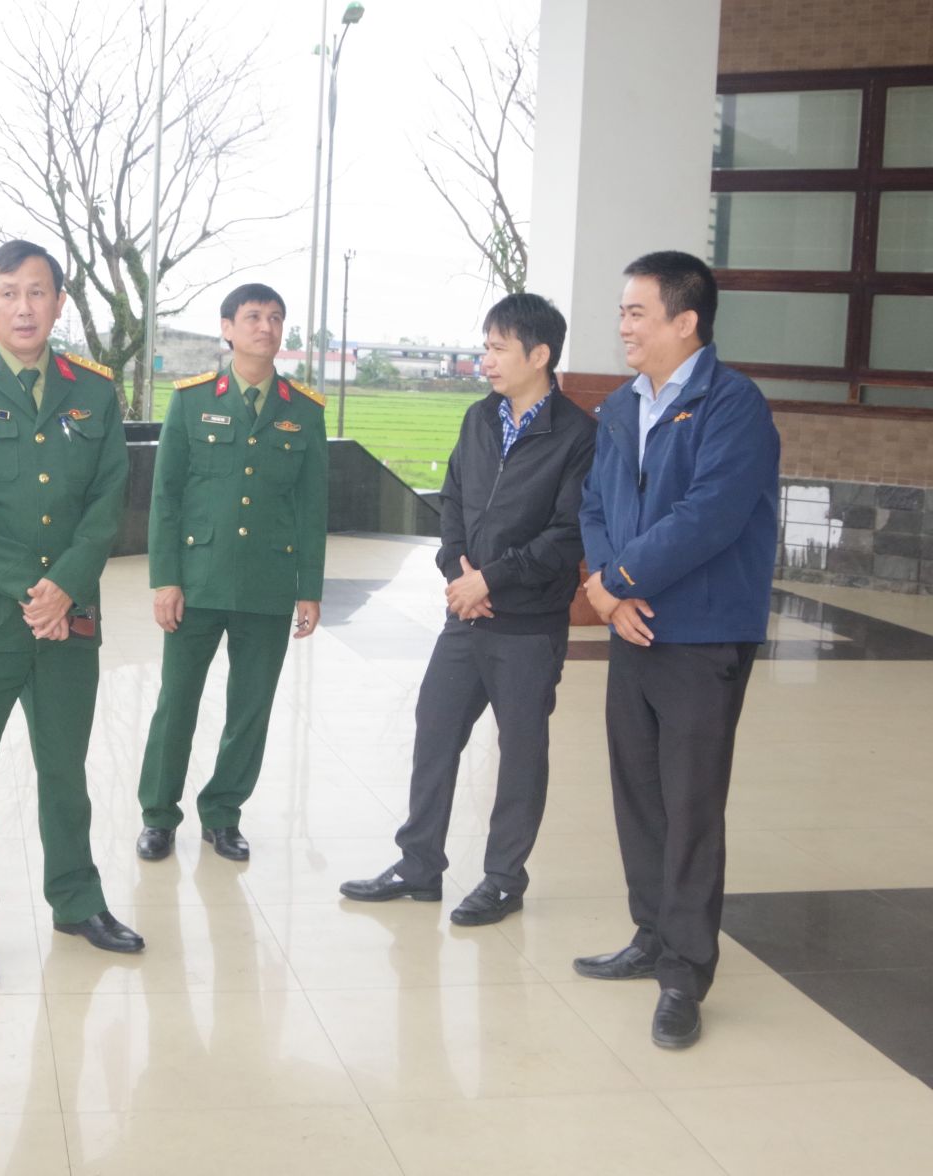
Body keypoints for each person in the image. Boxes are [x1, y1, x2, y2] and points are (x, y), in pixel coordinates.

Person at [0, 239, 142, 988]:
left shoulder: (94, 391)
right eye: (9, 292)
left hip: (68, 619)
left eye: (38, 291)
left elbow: (106, 500)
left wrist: (65, 586)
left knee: (65, 769)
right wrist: (33, 591)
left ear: (59, 302)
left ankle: (77, 901)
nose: (24, 307)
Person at [573, 250, 779, 1049]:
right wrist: (605, 588)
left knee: (691, 805)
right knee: (638, 794)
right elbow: (595, 503)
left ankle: (686, 974)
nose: (623, 325)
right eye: (623, 312)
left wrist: (618, 580)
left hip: (700, 633)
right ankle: (652, 934)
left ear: (685, 321)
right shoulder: (622, 407)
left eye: (637, 311)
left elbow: (710, 515)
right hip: (632, 627)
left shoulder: (733, 405)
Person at [340, 293, 596, 924]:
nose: (487, 360)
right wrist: (459, 576)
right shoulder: (479, 418)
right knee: (435, 730)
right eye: (486, 347)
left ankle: (504, 879)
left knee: (521, 754)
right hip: (466, 614)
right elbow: (453, 500)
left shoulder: (579, 435)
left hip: (528, 625)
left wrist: (492, 581)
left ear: (539, 354)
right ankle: (419, 865)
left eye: (498, 348)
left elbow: (568, 535)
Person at [134, 282, 328, 864]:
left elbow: (312, 506)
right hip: (198, 579)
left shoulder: (304, 411)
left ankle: (222, 814)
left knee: (251, 708)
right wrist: (165, 579)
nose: (265, 328)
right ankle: (158, 815)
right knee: (177, 702)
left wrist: (309, 589)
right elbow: (166, 496)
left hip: (269, 582)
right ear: (227, 328)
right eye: (253, 317)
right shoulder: (192, 400)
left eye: (276, 317)